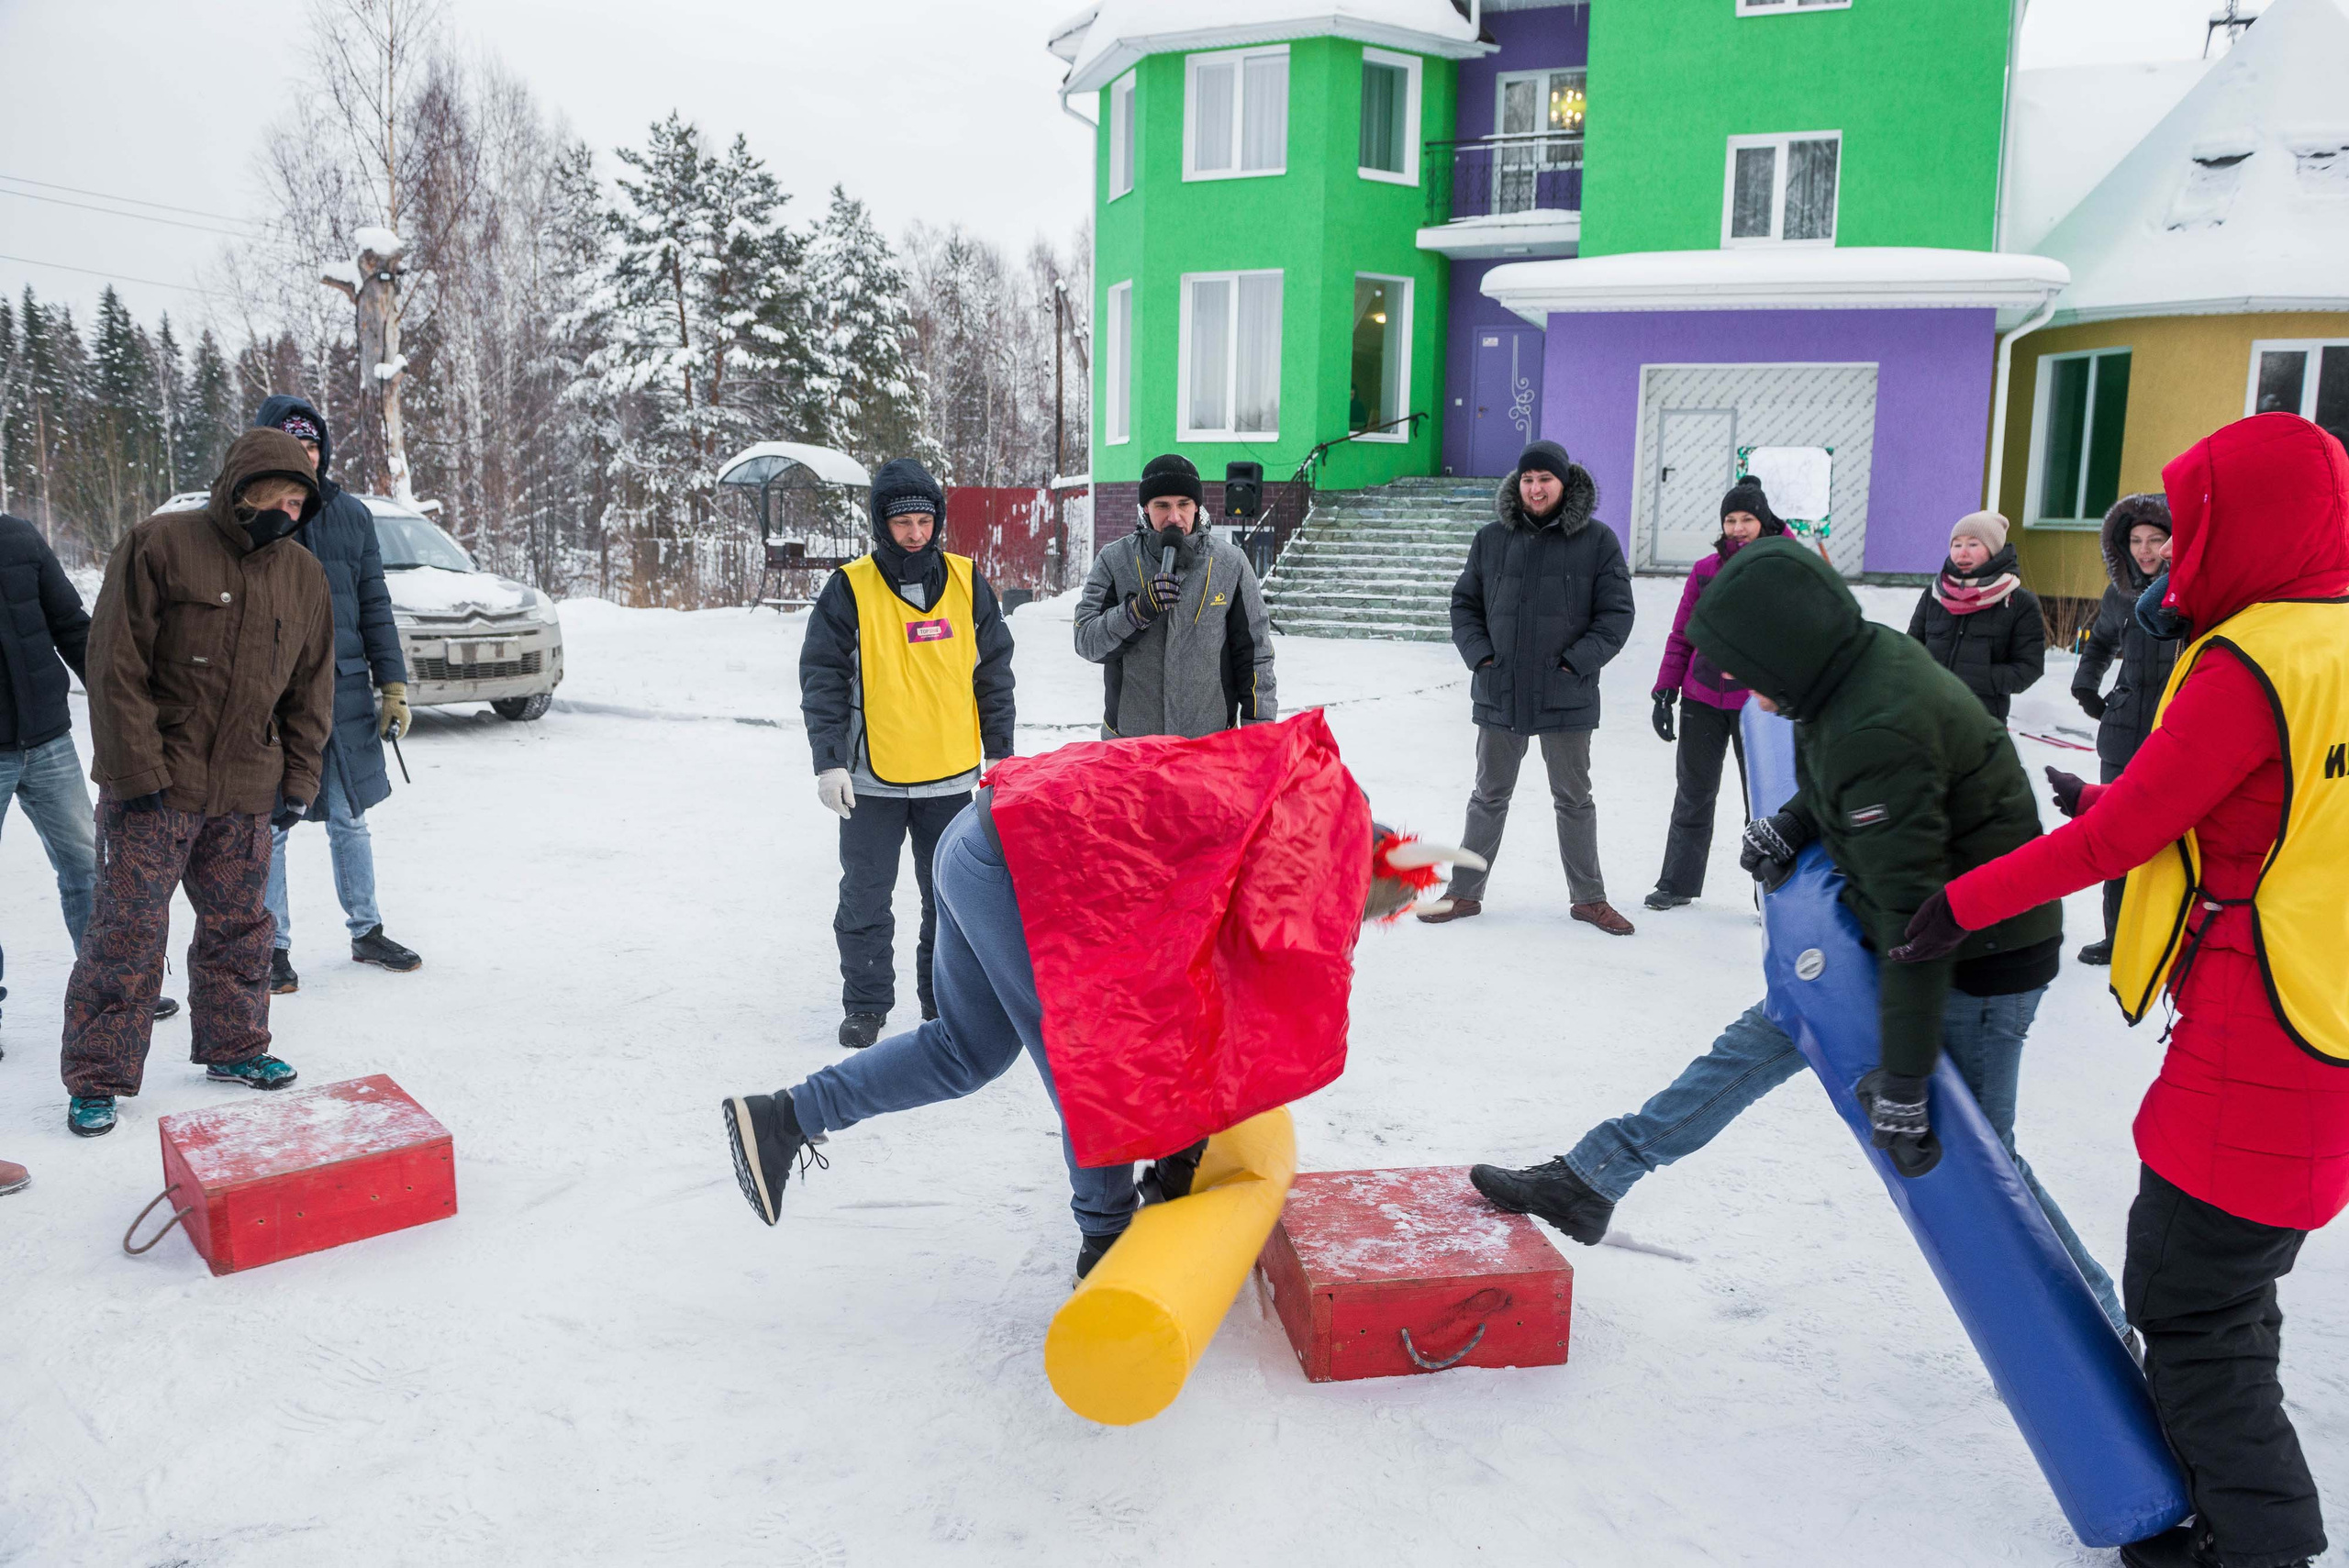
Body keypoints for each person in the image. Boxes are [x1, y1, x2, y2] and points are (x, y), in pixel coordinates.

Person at [1892, 413, 2349, 1568]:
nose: (2179, 547)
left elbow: (2139, 831)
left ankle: (2259, 1545)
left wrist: (1960, 902)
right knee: (2234, 1293)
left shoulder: (2250, 656)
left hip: (2260, 1039)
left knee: (2193, 1311)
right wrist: (2109, 806)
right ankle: (2230, 1512)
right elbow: (2277, 811)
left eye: (2196, 522)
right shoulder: (2334, 638)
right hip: (2325, 1017)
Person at [1471, 538, 2126, 1334]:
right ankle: (1593, 1178)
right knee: (1762, 1036)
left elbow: (1916, 929)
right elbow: (1840, 777)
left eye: (1748, 668)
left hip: (1979, 957)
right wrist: (1790, 822)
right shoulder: (1851, 667)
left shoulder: (1874, 719)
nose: (1741, 687)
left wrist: (1908, 1083)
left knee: (1982, 1167)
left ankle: (2102, 1336)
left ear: (1787, 650)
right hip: (1893, 917)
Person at [721, 711, 1475, 1278]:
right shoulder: (1259, 850)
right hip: (1016, 863)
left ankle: (784, 1117)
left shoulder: (1275, 816)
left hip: (980, 837)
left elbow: (1199, 1008)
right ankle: (1104, 1239)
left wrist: (1182, 1157)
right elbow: (1144, 1037)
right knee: (1092, 1056)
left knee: (966, 1051)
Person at [60, 429, 335, 1138]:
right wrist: (136, 770)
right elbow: (113, 662)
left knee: (242, 929)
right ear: (242, 486)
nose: (290, 507)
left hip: (247, 788)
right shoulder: (160, 544)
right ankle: (98, 1076)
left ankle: (236, 1046)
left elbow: (311, 687)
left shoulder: (303, 576)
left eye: (301, 497)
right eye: (280, 492)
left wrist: (299, 776)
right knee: (127, 931)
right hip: (155, 787)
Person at [801, 458, 1014, 1051]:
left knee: (948, 900)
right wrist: (829, 759)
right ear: (881, 525)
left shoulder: (969, 581)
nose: (915, 533)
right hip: (871, 778)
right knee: (865, 895)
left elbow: (994, 674)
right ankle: (866, 1003)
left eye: (924, 520)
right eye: (903, 524)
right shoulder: (850, 586)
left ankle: (941, 1003)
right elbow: (821, 675)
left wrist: (1000, 753)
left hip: (950, 775)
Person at [1425, 439, 1637, 935]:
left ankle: (1589, 899)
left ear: (1564, 484)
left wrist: (1575, 663)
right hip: (1500, 688)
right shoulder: (1492, 538)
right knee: (1488, 795)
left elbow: (1617, 615)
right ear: (1517, 485)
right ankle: (1463, 893)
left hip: (1567, 691)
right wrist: (1482, 658)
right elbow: (1465, 606)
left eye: (1545, 479)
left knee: (1574, 799)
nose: (1536, 488)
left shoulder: (1597, 540)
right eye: (1527, 479)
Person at [250, 395, 421, 992]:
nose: (306, 454)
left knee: (350, 819)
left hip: (342, 692)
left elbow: (374, 604)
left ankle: (366, 929)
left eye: (313, 444)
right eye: (293, 444)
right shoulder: (250, 515)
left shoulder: (352, 516)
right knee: (270, 825)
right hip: (272, 697)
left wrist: (392, 684)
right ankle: (270, 946)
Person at [0, 511, 179, 1032]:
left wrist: (123, 700)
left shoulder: (19, 536)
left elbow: (73, 625)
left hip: (49, 737)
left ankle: (109, 987)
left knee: (87, 865)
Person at [1644, 478, 1786, 911]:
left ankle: (1772, 895)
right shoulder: (1706, 570)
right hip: (1703, 697)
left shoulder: (1784, 565)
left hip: (1759, 705)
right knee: (1693, 792)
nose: (1738, 528)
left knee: (1762, 802)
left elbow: (1798, 634)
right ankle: (1677, 883)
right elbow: (1683, 634)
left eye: (1747, 519)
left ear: (1763, 522)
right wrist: (1666, 688)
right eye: (1730, 520)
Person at [1073, 453, 1276, 740]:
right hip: (1129, 747)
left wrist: (1260, 735)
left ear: (1197, 507)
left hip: (1208, 745)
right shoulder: (1115, 560)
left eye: (1183, 504)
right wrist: (1136, 611)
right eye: (1162, 506)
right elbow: (1086, 641)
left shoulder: (1230, 564)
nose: (1174, 517)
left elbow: (1255, 656)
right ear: (1145, 508)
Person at [2069, 494, 2176, 965]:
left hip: (2177, 733)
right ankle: (2118, 938)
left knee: (2171, 840)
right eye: (2135, 540)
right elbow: (2098, 647)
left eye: (2156, 539)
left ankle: (2169, 935)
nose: (2145, 550)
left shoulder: (2193, 591)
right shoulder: (2120, 595)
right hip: (2123, 731)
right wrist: (2086, 689)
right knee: (2117, 833)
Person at [1907, 509, 2044, 722]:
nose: (1963, 553)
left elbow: (2029, 667)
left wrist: (1980, 679)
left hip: (1980, 722)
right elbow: (1911, 650)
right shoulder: (1935, 595)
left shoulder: (2019, 602)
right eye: (1957, 545)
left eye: (1973, 544)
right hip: (1926, 717)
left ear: (1993, 550)